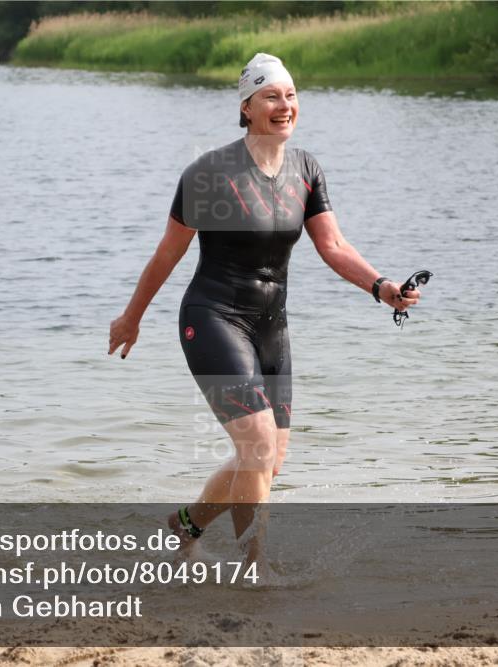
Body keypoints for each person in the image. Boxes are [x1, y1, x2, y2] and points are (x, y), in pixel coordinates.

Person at [107, 53, 421, 566]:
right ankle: (252, 570)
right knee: (256, 443)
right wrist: (131, 317)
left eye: (291, 96)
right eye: (271, 97)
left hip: (272, 326)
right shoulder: (210, 173)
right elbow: (169, 252)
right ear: (246, 107)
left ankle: (185, 525)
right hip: (213, 316)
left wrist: (381, 286)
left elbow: (334, 245)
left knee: (268, 461)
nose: (284, 106)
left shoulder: (307, 169)